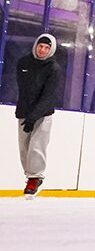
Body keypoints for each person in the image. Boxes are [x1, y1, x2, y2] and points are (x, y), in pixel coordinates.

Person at [14, 34, 61, 199]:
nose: (43, 50)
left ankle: (35, 178)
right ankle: (30, 176)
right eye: (41, 46)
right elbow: (24, 90)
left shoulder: (53, 69)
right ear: (36, 46)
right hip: (25, 112)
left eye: (47, 48)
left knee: (36, 146)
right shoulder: (23, 63)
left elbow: (48, 96)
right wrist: (25, 113)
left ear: (51, 50)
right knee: (24, 149)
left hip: (43, 113)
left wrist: (34, 116)